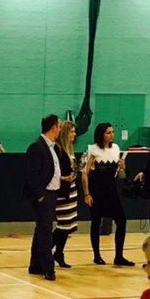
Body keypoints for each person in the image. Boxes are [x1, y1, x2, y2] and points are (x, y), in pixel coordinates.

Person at [82, 122, 134, 266]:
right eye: (108, 133)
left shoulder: (116, 148)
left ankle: (119, 256)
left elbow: (121, 175)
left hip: (111, 191)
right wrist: (87, 194)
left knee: (122, 221)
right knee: (96, 222)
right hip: (97, 192)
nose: (112, 135)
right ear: (101, 134)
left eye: (112, 132)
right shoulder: (93, 150)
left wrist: (122, 167)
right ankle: (97, 255)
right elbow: (85, 174)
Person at [22, 114, 64, 279]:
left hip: (51, 194)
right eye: (59, 126)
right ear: (53, 127)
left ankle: (35, 265)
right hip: (43, 196)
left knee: (41, 230)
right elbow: (31, 173)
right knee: (46, 232)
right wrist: (39, 195)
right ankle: (49, 268)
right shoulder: (37, 146)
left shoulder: (53, 147)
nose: (60, 130)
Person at [52, 120, 80, 268]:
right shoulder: (58, 150)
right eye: (72, 132)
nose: (74, 134)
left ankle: (59, 252)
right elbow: (53, 173)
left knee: (68, 224)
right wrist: (64, 178)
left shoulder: (70, 149)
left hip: (72, 189)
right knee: (63, 223)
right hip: (62, 191)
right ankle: (45, 251)